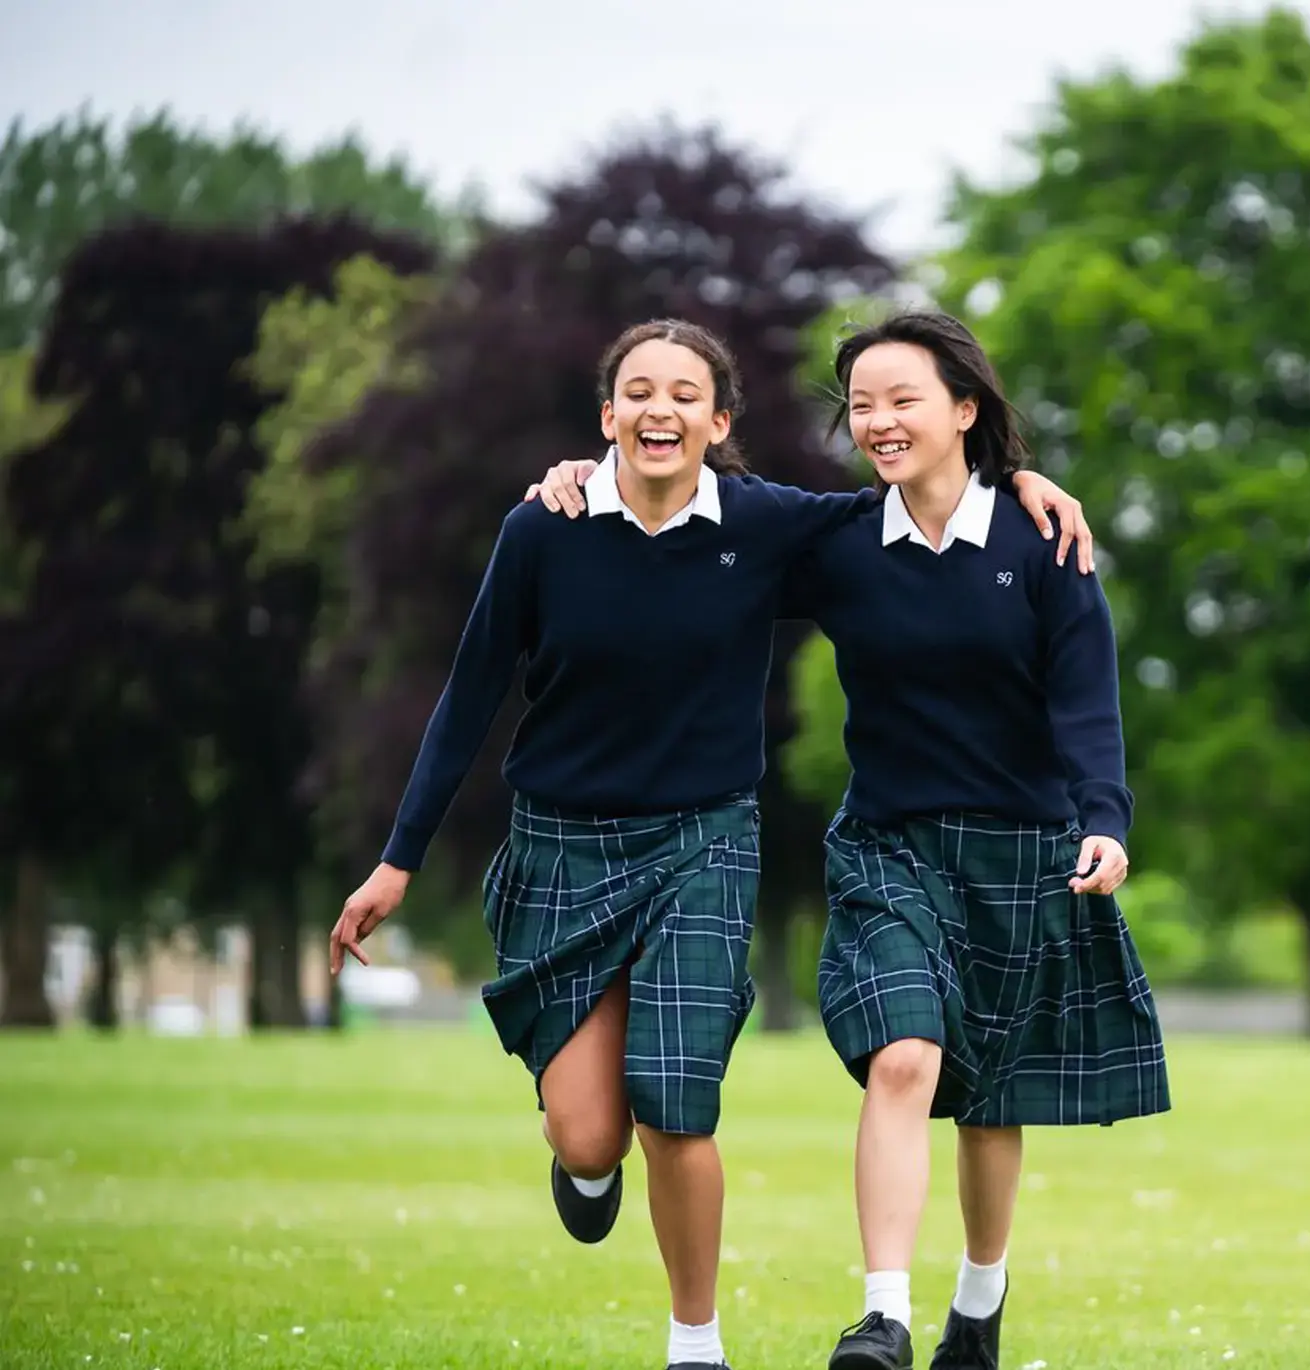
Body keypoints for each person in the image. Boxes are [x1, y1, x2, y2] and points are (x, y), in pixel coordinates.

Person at [331, 318, 1092, 1370]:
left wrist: (1020, 487)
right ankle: (583, 1165)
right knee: (591, 1133)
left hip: (704, 839)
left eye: (685, 392)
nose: (660, 408)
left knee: (676, 1100)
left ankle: (696, 1345)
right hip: (563, 841)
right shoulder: (543, 529)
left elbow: (921, 500)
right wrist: (396, 857)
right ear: (606, 418)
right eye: (636, 391)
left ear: (718, 421)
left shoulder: (767, 524)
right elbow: (468, 695)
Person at [806, 310, 1168, 1370]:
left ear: (964, 408)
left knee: (988, 1095)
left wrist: (1104, 819)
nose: (877, 420)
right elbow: (704, 520)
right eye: (860, 403)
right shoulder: (832, 544)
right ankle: (883, 1313)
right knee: (908, 1054)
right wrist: (585, 476)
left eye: (901, 398)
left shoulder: (1044, 539)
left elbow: (1086, 701)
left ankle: (980, 1299)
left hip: (1022, 846)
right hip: (888, 840)